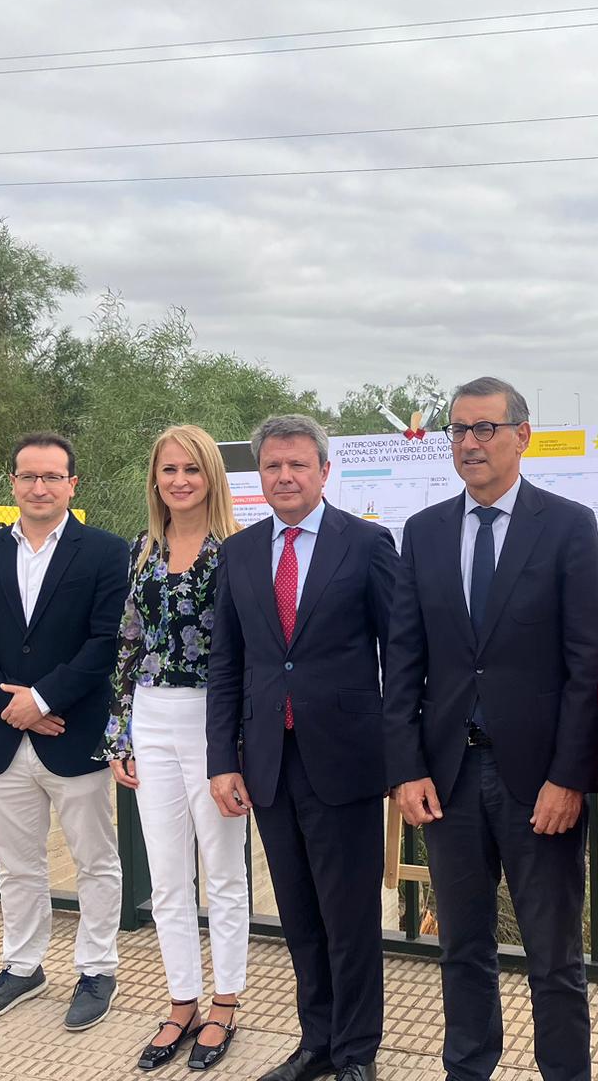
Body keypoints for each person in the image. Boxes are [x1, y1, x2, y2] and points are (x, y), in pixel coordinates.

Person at [384, 376, 598, 1081]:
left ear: (522, 435)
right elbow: (404, 662)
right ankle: (469, 1070)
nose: (469, 443)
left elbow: (591, 663)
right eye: (458, 429)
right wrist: (405, 767)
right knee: (463, 949)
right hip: (447, 779)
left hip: (538, 785)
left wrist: (570, 776)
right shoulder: (423, 534)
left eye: (485, 428)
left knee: (553, 957)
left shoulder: (567, 526)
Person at [207, 414, 397, 1081]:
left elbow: (399, 658)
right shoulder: (237, 552)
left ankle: (356, 1052)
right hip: (268, 761)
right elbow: (227, 665)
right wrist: (222, 759)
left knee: (349, 919)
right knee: (298, 914)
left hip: (343, 759)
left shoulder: (368, 544)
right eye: (273, 467)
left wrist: (401, 757)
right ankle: (315, 1042)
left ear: (323, 470)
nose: (285, 476)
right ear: (259, 477)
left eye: (298, 465)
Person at [0, 432, 131, 1032]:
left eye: (53, 477)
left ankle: (97, 969)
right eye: (29, 476)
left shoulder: (106, 553)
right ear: (13, 483)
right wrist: (12, 704)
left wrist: (44, 699)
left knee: (95, 860)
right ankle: (22, 967)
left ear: (73, 485)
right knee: (17, 864)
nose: (40, 487)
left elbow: (107, 642)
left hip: (74, 735)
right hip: (3, 740)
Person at [100, 425, 248, 1071]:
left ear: (211, 476)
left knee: (223, 870)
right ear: (155, 480)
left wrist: (235, 746)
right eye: (169, 470)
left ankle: (225, 1004)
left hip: (212, 722)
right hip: (152, 720)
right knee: (167, 876)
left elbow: (244, 656)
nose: (180, 480)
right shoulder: (143, 549)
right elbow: (127, 645)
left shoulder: (235, 552)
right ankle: (181, 1000)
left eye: (192, 469)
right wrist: (120, 731)